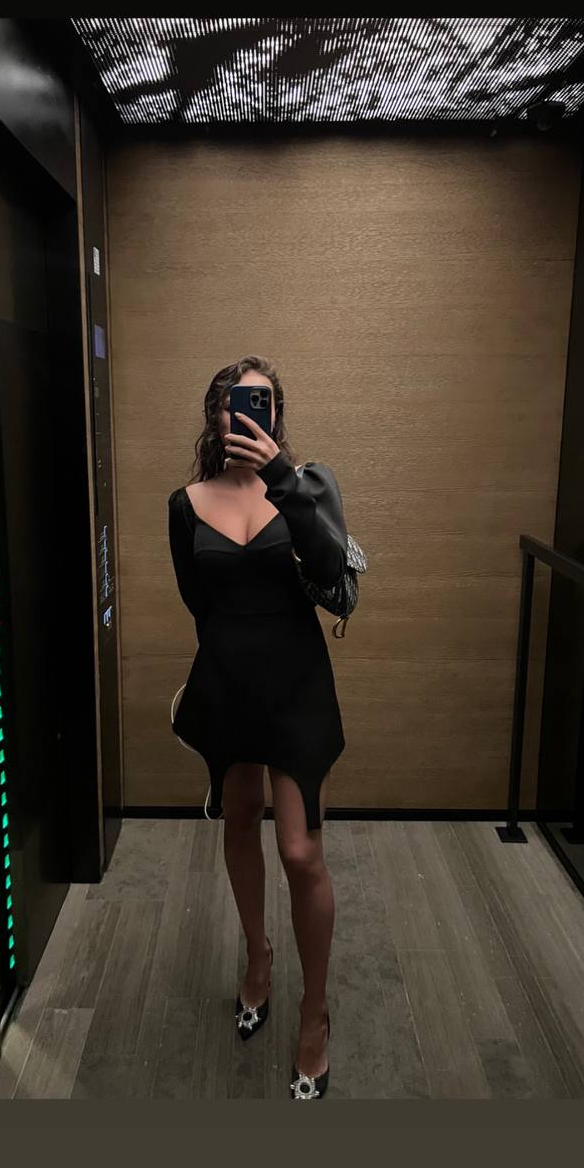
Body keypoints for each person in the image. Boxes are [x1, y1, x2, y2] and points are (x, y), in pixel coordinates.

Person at [167, 356, 350, 1099]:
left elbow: (332, 572)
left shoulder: (305, 486)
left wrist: (280, 477)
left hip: (297, 688)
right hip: (228, 685)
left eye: (262, 401)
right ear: (215, 414)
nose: (247, 411)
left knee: (301, 852)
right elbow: (196, 601)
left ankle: (314, 1012)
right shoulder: (184, 504)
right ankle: (257, 958)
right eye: (235, 401)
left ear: (277, 414)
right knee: (239, 818)